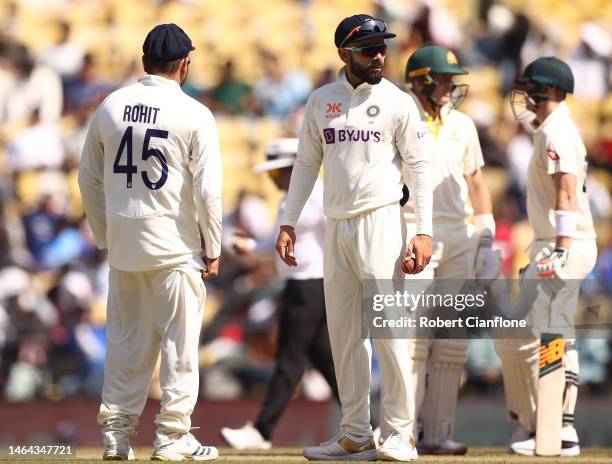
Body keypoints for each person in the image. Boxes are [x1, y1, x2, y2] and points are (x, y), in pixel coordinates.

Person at [275, 14, 433, 462]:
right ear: (344, 52)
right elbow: (306, 164)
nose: (379, 55)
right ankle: (355, 433)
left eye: (383, 47)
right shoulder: (321, 101)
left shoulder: (399, 102)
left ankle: (401, 432)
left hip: (382, 221)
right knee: (344, 335)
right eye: (368, 48)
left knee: (389, 331)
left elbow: (419, 167)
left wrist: (422, 230)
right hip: (336, 225)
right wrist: (288, 222)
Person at [78, 23, 222, 461]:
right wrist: (212, 247)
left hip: (125, 247)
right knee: (179, 345)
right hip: (174, 248)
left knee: (125, 344)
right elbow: (209, 191)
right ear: (184, 66)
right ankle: (173, 436)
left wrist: (107, 237)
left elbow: (88, 179)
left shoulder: (111, 106)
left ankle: (116, 437)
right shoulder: (195, 113)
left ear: (144, 63)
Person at [401, 45, 500, 455]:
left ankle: (439, 433)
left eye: (451, 81)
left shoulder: (463, 125)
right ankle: (402, 431)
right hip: (415, 231)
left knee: (451, 339)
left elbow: (476, 183)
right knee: (412, 340)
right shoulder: (401, 118)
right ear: (421, 80)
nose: (449, 88)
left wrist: (488, 236)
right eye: (442, 80)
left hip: (460, 235)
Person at [497, 56, 597, 456]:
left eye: (534, 89)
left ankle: (557, 430)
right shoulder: (549, 131)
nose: (527, 97)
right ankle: (549, 426)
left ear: (552, 90)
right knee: (528, 335)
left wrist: (560, 249)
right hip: (553, 243)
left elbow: (567, 193)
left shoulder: (557, 132)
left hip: (565, 244)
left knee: (551, 334)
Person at [220, 138, 340, 449]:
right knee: (323, 359)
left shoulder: (318, 196)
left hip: (311, 285)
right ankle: (369, 425)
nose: (274, 180)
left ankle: (261, 431)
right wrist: (251, 247)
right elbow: (278, 243)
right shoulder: (290, 201)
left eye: (278, 173)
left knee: (289, 359)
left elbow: (338, 240)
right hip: (301, 285)